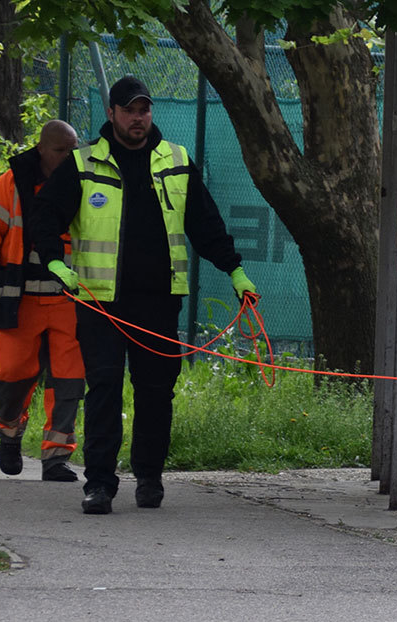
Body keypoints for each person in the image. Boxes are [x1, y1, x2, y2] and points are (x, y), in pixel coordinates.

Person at [32, 76, 257, 515]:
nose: (138, 118)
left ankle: (149, 477)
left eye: (144, 110)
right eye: (129, 110)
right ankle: (99, 484)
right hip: (100, 302)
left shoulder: (176, 160)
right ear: (112, 113)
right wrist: (54, 262)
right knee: (104, 390)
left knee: (156, 392)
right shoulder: (82, 163)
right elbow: (45, 215)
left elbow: (205, 224)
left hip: (158, 300)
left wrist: (235, 270)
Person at [0, 120, 84, 482]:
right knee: (13, 375)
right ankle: (9, 433)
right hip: (20, 299)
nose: (67, 157)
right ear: (41, 149)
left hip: (70, 299)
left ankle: (56, 457)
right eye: (60, 151)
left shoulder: (85, 182)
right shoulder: (11, 184)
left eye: (72, 151)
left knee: (69, 380)